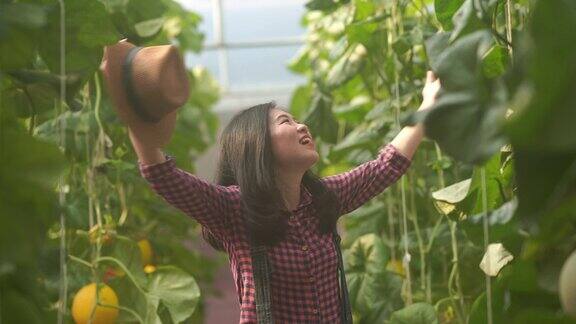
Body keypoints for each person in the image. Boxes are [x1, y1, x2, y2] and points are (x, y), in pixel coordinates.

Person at [102, 43, 440, 323]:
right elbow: (164, 177)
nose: (302, 126)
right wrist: (138, 121)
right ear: (257, 145)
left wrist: (427, 105)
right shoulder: (234, 209)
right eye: (285, 121)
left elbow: (386, 165)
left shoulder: (324, 198)